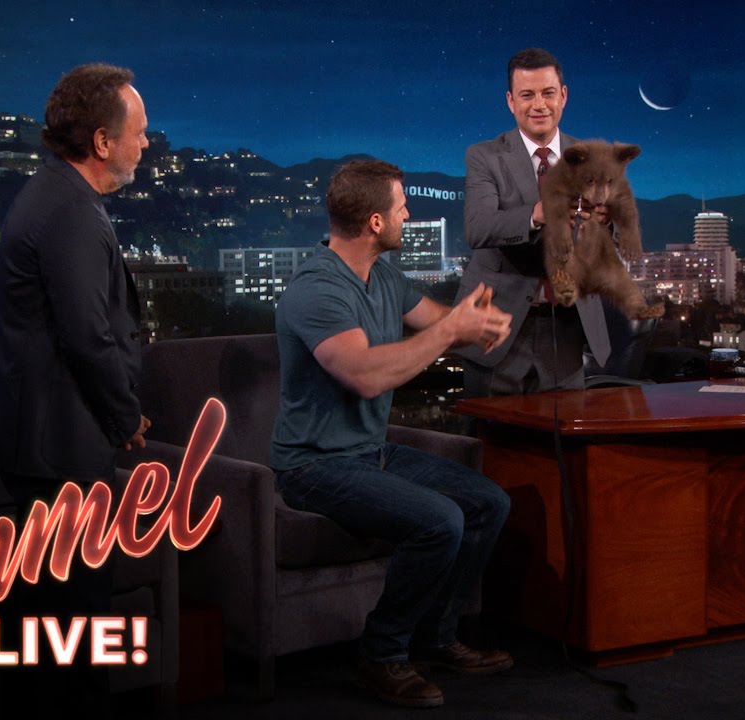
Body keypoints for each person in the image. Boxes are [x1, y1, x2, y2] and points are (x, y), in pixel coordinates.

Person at [271, 159, 515, 709]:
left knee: (488, 502)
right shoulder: (316, 289)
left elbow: (439, 323)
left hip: (369, 452)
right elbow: (363, 375)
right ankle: (380, 655)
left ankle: (437, 637)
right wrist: (451, 332)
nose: (409, 214)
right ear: (376, 222)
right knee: (439, 520)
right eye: (403, 207)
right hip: (313, 466)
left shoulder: (383, 277)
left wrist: (473, 323)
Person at [0, 62, 151, 706]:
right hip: (60, 446)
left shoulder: (56, 195)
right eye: (139, 131)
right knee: (75, 619)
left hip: (47, 439)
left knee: (56, 618)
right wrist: (124, 417)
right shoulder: (70, 211)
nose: (146, 144)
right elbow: (87, 336)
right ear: (102, 141)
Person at [457, 47, 615, 396]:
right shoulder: (485, 156)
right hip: (499, 327)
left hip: (566, 329)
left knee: (564, 428)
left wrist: (605, 222)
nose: (539, 105)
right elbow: (478, 227)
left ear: (564, 96)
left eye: (548, 93)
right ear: (510, 101)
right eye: (527, 95)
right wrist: (537, 214)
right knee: (493, 428)